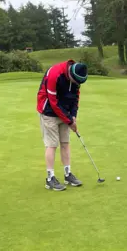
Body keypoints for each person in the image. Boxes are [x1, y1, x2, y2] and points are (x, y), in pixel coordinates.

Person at [37, 60, 88, 191]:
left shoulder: (77, 76)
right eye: (76, 82)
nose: (77, 85)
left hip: (64, 112)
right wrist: (69, 121)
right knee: (52, 145)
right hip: (48, 111)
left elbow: (76, 97)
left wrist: (73, 116)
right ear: (70, 74)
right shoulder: (55, 74)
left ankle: (67, 174)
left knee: (65, 142)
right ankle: (50, 178)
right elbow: (53, 102)